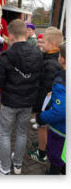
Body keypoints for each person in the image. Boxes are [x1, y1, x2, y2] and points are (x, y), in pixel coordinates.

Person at [0, 19, 43, 175]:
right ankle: (18, 165)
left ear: (11, 36)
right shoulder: (38, 54)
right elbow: (38, 79)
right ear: (26, 34)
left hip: (10, 102)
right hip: (28, 101)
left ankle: (5, 168)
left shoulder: (7, 55)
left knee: (5, 133)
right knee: (21, 132)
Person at [27, 27, 63, 164]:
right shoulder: (52, 58)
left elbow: (45, 91)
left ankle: (42, 153)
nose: (41, 44)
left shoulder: (51, 64)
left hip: (44, 105)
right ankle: (46, 144)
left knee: (42, 126)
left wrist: (38, 108)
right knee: (45, 126)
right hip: (47, 103)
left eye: (44, 42)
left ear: (52, 44)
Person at [36, 42, 66, 175]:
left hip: (60, 130)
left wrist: (42, 117)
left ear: (62, 59)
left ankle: (53, 173)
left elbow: (60, 110)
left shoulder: (61, 81)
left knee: (55, 155)